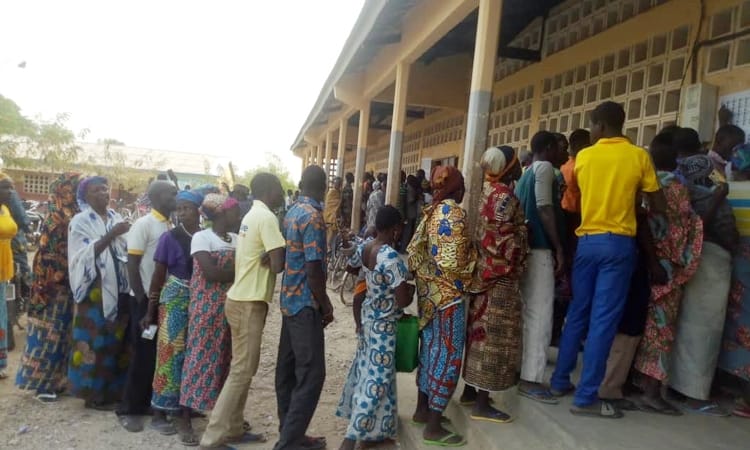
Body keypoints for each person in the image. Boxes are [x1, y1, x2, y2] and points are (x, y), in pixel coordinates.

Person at [550, 101, 665, 419]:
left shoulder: (584, 156)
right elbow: (659, 204)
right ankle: (586, 398)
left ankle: (560, 382)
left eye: (592, 125)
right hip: (619, 246)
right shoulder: (639, 156)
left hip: (587, 243)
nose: (591, 131)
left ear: (600, 125)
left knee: (577, 314)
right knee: (603, 322)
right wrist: (635, 201)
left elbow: (571, 202)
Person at [200, 174, 287, 449]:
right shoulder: (267, 218)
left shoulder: (251, 216)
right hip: (248, 302)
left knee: (242, 368)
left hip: (238, 299)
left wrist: (271, 254)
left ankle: (235, 427)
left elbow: (267, 257)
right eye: (279, 191)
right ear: (271, 191)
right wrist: (278, 252)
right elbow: (277, 265)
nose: (282, 195)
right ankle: (212, 437)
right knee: (241, 370)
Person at [632, 133, 703, 415]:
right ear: (676, 160)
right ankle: (652, 392)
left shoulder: (644, 186)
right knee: (662, 331)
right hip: (668, 268)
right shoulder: (677, 189)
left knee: (642, 327)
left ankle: (638, 382)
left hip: (643, 264)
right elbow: (687, 228)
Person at [670, 127, 738, 416]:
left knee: (685, 321)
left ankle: (677, 384)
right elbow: (721, 192)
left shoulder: (674, 173)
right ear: (699, 146)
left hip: (685, 251)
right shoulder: (707, 166)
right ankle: (695, 394)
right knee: (705, 327)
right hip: (710, 249)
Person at [459, 146, 528, 423]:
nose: (521, 167)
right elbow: (503, 240)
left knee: (478, 333)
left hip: (482, 275)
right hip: (498, 279)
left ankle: (470, 391)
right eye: (517, 163)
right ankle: (483, 404)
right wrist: (524, 233)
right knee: (493, 340)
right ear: (509, 167)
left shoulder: (486, 191)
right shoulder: (505, 196)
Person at [408, 165, 475, 447]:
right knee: (448, 357)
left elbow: (414, 251)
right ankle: (434, 426)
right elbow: (454, 261)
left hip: (430, 296)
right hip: (450, 297)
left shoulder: (431, 211)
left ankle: (422, 410)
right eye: (462, 186)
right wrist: (475, 258)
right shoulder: (454, 213)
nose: (464, 191)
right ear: (455, 187)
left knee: (431, 352)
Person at [336, 205, 413, 450]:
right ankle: (350, 440)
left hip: (369, 321)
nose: (400, 232)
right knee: (377, 381)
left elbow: (353, 261)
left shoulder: (367, 247)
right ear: (393, 229)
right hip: (384, 327)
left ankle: (380, 431)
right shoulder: (390, 257)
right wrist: (411, 288)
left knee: (374, 374)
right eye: (399, 228)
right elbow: (403, 300)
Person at [275, 165, 334, 450]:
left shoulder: (293, 212)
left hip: (289, 300)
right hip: (304, 305)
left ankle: (290, 433)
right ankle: (288, 443)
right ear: (323, 187)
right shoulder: (314, 217)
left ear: (300, 184)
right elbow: (314, 269)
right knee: (311, 373)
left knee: (286, 371)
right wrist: (326, 304)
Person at [139, 189, 203, 445]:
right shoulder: (169, 238)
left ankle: (185, 407)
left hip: (199, 302)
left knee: (192, 355)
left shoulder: (204, 236)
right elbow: (158, 275)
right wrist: (150, 310)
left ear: (199, 211)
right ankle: (160, 411)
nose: (182, 213)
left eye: (187, 208)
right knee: (169, 355)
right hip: (174, 300)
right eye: (179, 208)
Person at [117, 180, 177, 432]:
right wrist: (141, 299)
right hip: (144, 300)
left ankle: (151, 403)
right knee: (142, 354)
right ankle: (129, 409)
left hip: (164, 300)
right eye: (170, 194)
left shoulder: (170, 224)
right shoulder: (144, 224)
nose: (175, 197)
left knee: (158, 354)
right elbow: (132, 264)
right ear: (156, 197)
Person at [67, 176, 131, 409]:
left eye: (106, 188)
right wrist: (111, 234)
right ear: (86, 196)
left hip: (119, 287)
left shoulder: (116, 217)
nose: (104, 193)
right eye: (97, 190)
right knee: (95, 340)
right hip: (94, 291)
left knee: (117, 339)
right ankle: (92, 395)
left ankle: (113, 391)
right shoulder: (80, 221)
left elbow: (125, 247)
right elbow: (81, 256)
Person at [15, 174, 80, 399]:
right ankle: (42, 384)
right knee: (47, 331)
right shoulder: (57, 216)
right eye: (75, 188)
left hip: (68, 281)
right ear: (64, 190)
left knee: (64, 332)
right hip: (52, 284)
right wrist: (61, 276)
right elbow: (50, 253)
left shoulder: (75, 213)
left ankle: (58, 380)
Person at [514, 131, 565, 404]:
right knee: (540, 314)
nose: (562, 153)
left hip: (526, 250)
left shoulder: (525, 173)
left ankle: (521, 370)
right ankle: (531, 378)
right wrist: (558, 246)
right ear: (547, 147)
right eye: (559, 147)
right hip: (540, 249)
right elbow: (545, 208)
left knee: (527, 312)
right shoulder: (545, 168)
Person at [180, 194, 241, 413]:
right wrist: (243, 269)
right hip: (205, 309)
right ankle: (186, 414)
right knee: (199, 357)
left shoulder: (235, 238)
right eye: (235, 210)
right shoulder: (202, 237)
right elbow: (211, 273)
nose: (239, 214)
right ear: (222, 212)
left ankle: (220, 414)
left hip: (229, 308)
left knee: (225, 359)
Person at [0, 173, 18, 379]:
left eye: (12, 188)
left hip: (4, 271)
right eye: (6, 187)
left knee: (1, 316)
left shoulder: (5, 209)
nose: (10, 192)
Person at [400, 175, 422, 253]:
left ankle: (405, 248)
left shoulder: (408, 187)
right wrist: (417, 198)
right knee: (408, 232)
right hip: (411, 212)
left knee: (408, 231)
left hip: (409, 212)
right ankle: (405, 248)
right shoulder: (411, 188)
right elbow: (410, 200)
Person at [325, 176, 342, 253]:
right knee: (330, 233)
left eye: (339, 184)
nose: (337, 185)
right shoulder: (332, 192)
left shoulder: (338, 193)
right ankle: (328, 247)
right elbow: (330, 204)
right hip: (330, 216)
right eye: (336, 183)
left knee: (335, 237)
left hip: (336, 217)